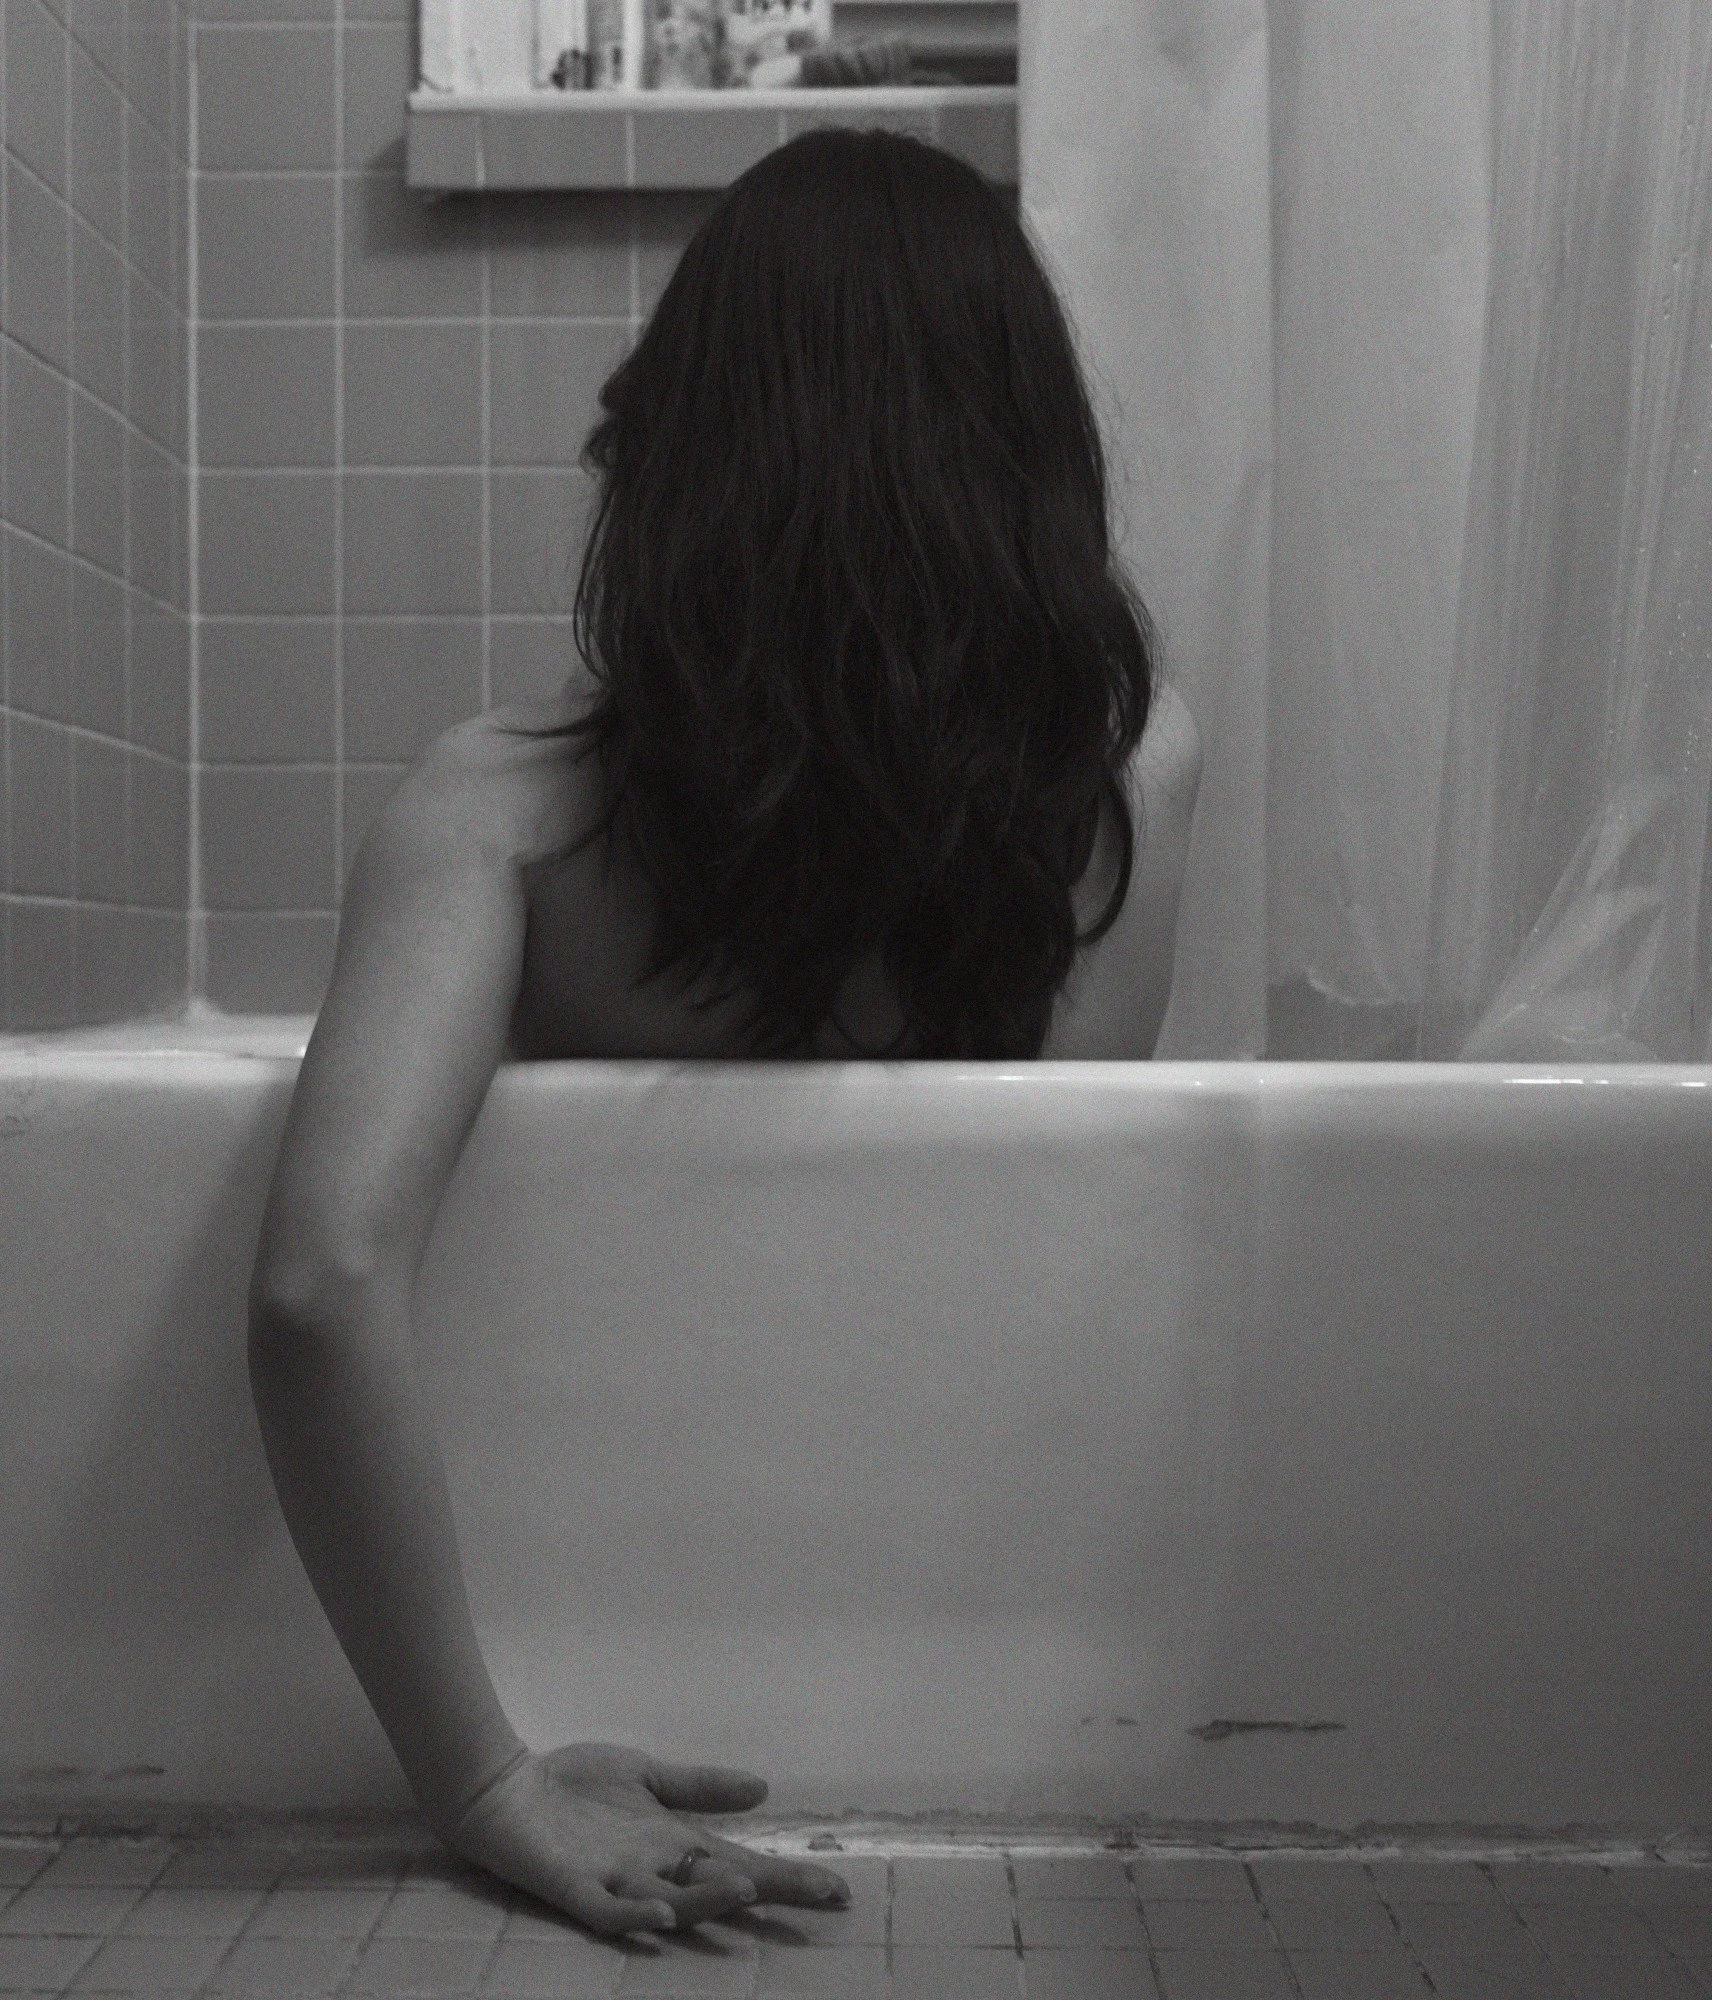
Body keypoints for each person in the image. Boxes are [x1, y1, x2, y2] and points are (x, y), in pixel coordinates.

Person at [245, 128, 1202, 1941]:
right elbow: (1034, 1232)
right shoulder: (1131, 786)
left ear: (676, 452)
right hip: (1000, 1671)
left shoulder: (503, 813)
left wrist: (478, 1777)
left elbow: (317, 1290)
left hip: (582, 1617)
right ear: (1029, 463)